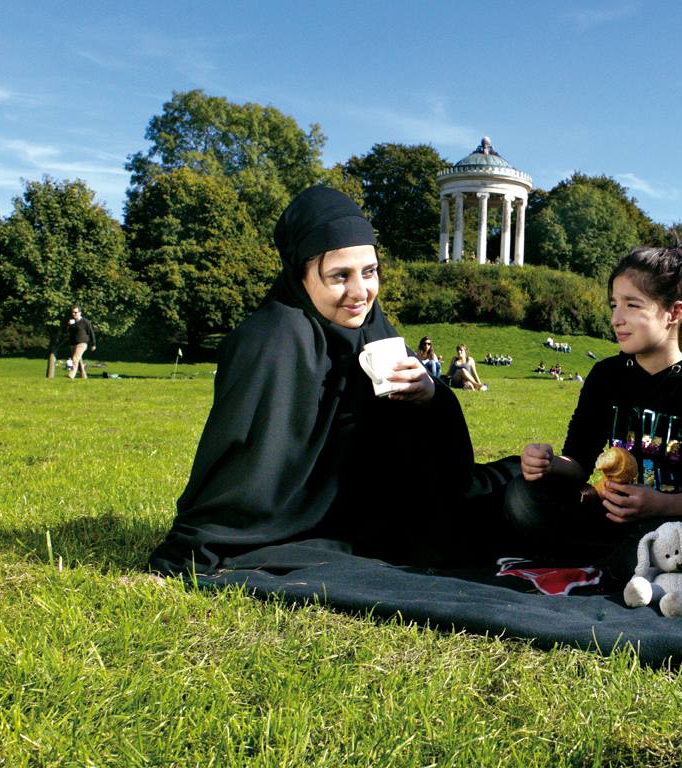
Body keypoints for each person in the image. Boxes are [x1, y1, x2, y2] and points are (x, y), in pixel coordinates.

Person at [149, 186, 501, 576]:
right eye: (339, 276)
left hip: (379, 516)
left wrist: (430, 395)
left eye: (369, 272)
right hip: (297, 521)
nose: (360, 292)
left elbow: (441, 465)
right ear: (300, 276)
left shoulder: (375, 330)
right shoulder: (274, 339)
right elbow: (244, 473)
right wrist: (194, 547)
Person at [504, 241, 682, 577]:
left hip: (668, 521)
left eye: (632, 305)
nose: (616, 319)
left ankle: (614, 562)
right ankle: (616, 564)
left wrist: (661, 504)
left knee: (663, 542)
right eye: (614, 304)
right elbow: (579, 462)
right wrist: (550, 463)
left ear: (674, 313)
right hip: (606, 515)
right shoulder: (606, 376)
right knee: (521, 497)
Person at [54, 305, 95, 379]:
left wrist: (93, 344)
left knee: (75, 358)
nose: (74, 314)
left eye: (75, 312)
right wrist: (68, 325)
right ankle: (84, 377)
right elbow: (64, 331)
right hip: (73, 344)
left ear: (80, 313)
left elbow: (91, 332)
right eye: (72, 312)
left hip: (82, 343)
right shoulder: (71, 321)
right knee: (78, 361)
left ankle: (71, 375)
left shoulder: (85, 322)